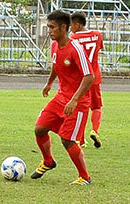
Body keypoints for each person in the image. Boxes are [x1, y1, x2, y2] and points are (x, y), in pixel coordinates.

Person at [31, 10, 95, 185]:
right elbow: (55, 64)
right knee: (40, 129)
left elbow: (89, 76)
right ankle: (48, 161)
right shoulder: (54, 45)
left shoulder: (75, 49)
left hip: (78, 102)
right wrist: (50, 82)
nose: (49, 31)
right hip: (60, 98)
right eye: (48, 27)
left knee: (67, 140)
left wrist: (74, 100)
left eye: (52, 27)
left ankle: (85, 177)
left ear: (63, 27)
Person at [69, 12, 103, 148]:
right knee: (96, 107)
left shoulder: (73, 39)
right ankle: (94, 130)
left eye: (71, 25)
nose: (69, 28)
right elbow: (98, 50)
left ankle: (80, 140)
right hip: (94, 77)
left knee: (80, 109)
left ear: (77, 25)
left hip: (80, 79)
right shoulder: (97, 35)